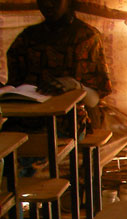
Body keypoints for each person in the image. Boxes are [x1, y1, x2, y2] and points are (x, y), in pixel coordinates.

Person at [4, 0, 112, 135]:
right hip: (25, 119)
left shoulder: (86, 37)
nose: (48, 4)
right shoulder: (27, 38)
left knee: (39, 143)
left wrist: (75, 85)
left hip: (68, 121)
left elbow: (94, 100)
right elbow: (14, 87)